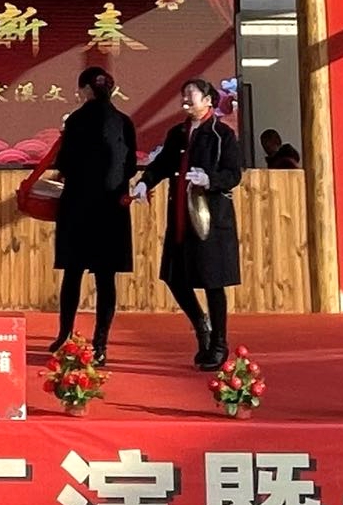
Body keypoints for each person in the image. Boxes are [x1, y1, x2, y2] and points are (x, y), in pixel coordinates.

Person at [138, 78, 244, 370]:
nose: (185, 101)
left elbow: (233, 174)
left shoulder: (222, 134)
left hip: (210, 220)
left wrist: (210, 180)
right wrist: (145, 182)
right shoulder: (177, 133)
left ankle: (219, 344)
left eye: (191, 96)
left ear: (208, 100)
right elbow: (161, 164)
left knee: (213, 282)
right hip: (180, 217)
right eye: (183, 96)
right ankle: (201, 325)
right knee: (174, 276)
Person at [49, 65, 137, 363]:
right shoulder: (124, 122)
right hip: (111, 209)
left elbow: (64, 164)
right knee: (106, 278)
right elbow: (130, 166)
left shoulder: (75, 121)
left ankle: (64, 336)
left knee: (72, 274)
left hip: (78, 207)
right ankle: (101, 344)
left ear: (86, 90)